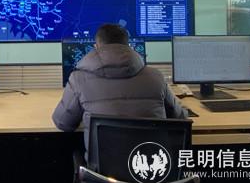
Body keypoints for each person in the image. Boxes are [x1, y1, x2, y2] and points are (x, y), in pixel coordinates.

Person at [52, 23, 187, 134]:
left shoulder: (78, 80)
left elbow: (63, 123)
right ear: (128, 46)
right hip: (150, 156)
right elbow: (180, 117)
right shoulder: (156, 77)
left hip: (104, 159)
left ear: (96, 47)